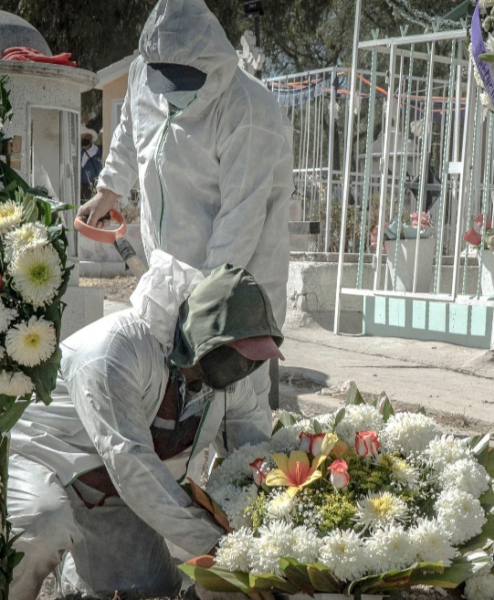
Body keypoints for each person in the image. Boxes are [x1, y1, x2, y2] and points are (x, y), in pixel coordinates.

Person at [8, 252, 285, 600]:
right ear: (205, 339)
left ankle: (77, 572)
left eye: (255, 359)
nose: (246, 368)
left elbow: (252, 455)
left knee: (149, 591)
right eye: (241, 354)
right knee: (42, 526)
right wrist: (218, 544)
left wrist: (280, 525)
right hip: (37, 455)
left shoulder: (230, 380)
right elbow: (130, 462)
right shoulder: (115, 351)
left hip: (107, 492)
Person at [78, 0, 293, 408]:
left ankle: (245, 466)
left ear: (211, 65)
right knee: (171, 393)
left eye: (184, 81)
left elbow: (239, 219)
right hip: (171, 265)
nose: (174, 94)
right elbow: (129, 135)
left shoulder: (247, 109)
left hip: (238, 278)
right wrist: (108, 191)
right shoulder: (144, 74)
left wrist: (202, 310)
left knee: (236, 395)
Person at [79, 126, 103, 202]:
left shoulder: (99, 152)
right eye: (82, 138)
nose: (84, 139)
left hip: (97, 187)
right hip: (84, 191)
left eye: (86, 136)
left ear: (90, 138)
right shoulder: (79, 154)